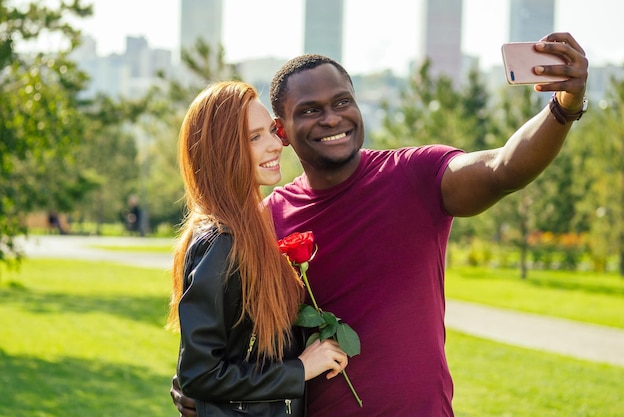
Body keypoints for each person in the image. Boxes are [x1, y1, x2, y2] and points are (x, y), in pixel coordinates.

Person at [171, 32, 588, 416]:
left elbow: (503, 168)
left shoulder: (416, 174)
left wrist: (563, 108)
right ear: (283, 130)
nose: (332, 118)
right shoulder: (266, 220)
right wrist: (203, 395)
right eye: (310, 110)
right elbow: (235, 349)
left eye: (341, 102)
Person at [168, 81, 348, 417]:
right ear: (224, 151)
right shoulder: (220, 241)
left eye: (272, 131)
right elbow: (199, 373)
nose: (276, 145)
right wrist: (300, 369)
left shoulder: (251, 228)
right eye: (254, 137)